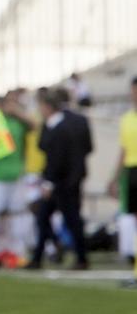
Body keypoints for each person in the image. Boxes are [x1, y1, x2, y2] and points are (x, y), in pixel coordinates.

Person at [29, 90, 93, 270]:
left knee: (65, 218)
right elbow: (88, 148)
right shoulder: (77, 121)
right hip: (72, 178)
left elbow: (54, 157)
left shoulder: (58, 127)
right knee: (48, 216)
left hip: (60, 181)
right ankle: (41, 256)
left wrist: (49, 183)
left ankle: (78, 257)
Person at [0, 90, 32, 266]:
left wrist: (17, 112)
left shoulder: (15, 122)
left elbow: (33, 125)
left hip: (16, 173)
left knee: (15, 215)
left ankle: (14, 251)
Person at [111, 77, 137, 279]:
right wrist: (115, 178)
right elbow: (123, 150)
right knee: (130, 217)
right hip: (130, 171)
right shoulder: (126, 118)